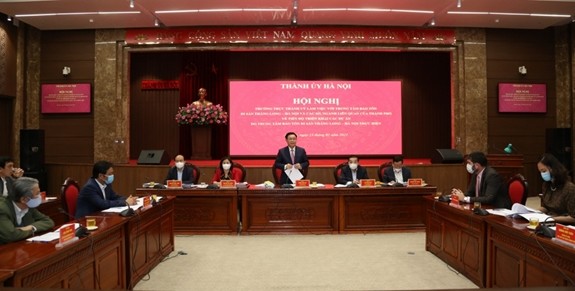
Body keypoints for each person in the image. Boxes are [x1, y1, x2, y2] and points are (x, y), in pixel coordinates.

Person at [0, 177, 54, 244]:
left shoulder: (28, 206)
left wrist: (31, 227)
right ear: (24, 199)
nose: (40, 196)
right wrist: (30, 230)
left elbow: (48, 222)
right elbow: (11, 235)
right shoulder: (2, 209)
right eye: (37, 193)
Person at [537, 153, 575, 225]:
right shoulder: (546, 185)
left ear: (553, 169)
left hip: (564, 226)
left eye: (544, 171)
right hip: (549, 222)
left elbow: (573, 218)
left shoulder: (569, 188)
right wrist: (533, 213)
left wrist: (550, 218)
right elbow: (546, 207)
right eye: (540, 172)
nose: (542, 174)